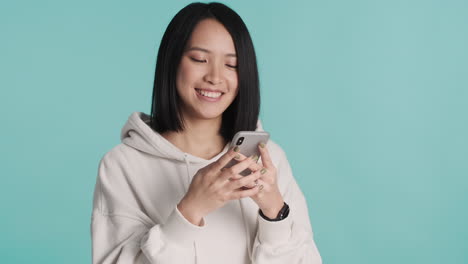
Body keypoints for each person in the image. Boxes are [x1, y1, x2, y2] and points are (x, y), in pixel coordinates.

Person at [91, 2, 322, 263]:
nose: (215, 77)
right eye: (199, 59)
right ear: (172, 62)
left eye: (232, 65)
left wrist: (274, 213)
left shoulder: (269, 161)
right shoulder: (123, 166)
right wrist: (190, 210)